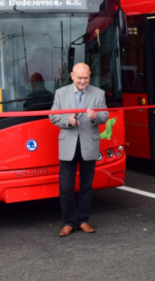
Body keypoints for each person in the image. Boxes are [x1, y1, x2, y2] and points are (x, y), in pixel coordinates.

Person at [49, 63, 108, 237]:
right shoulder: (61, 93)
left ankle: (83, 220)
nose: (83, 81)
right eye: (79, 78)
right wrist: (68, 121)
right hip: (68, 145)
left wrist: (95, 117)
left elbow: (105, 115)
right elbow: (52, 115)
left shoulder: (99, 93)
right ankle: (68, 222)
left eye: (86, 78)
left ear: (90, 76)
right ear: (71, 76)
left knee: (86, 186)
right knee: (66, 187)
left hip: (88, 145)